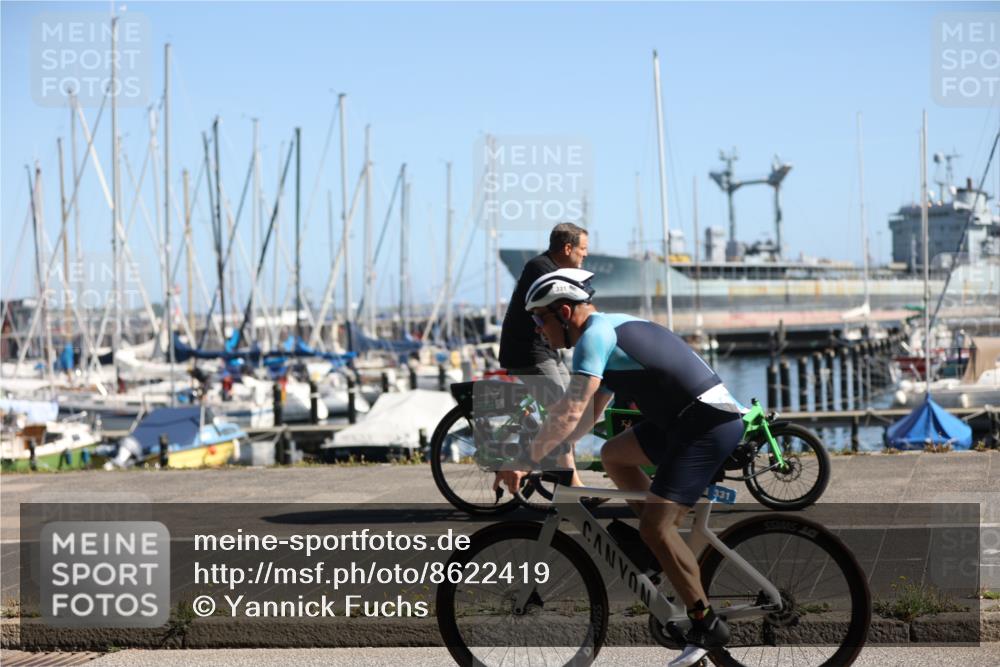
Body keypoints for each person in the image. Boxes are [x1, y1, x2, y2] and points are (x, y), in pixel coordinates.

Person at [495, 268, 740, 667]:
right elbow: (592, 410)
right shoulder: (608, 330)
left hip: (706, 424)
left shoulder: (594, 336)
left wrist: (523, 459)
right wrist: (557, 450)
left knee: (655, 527)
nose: (539, 331)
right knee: (614, 454)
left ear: (564, 311)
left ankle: (704, 625)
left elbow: (572, 406)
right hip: (683, 422)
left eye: (539, 319)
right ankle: (660, 551)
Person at [498, 222, 589, 485]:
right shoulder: (541, 268)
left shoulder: (557, 270)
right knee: (561, 414)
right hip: (528, 352)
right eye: (582, 249)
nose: (585, 255)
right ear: (568, 247)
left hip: (548, 351)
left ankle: (552, 461)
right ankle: (573, 484)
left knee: (573, 412)